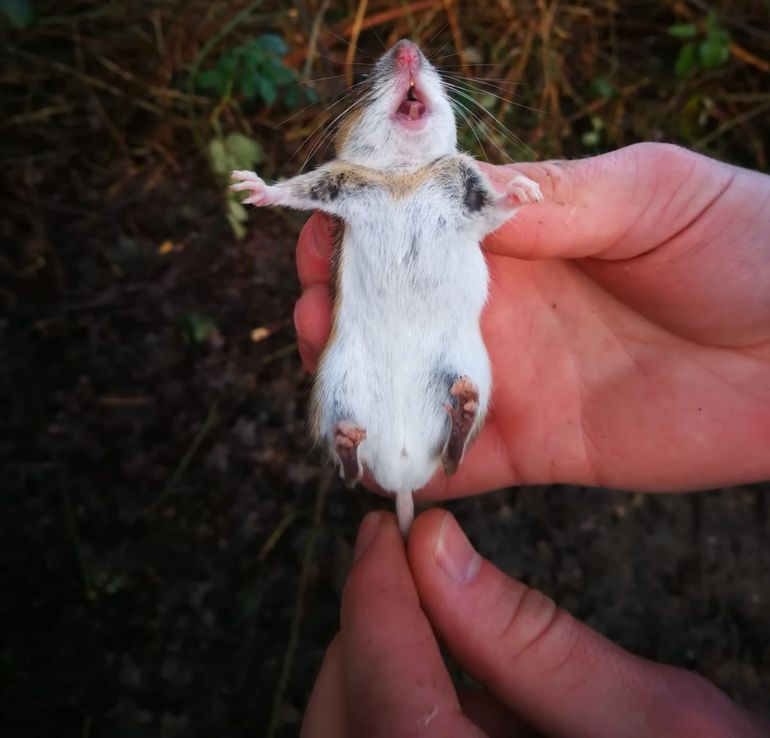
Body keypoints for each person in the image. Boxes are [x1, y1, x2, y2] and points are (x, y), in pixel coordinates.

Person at [293, 143, 770, 737]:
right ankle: (359, 442)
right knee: (345, 363)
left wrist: (504, 200)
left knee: (459, 362)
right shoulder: (367, 182)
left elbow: (484, 210)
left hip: (436, 357)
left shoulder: (452, 174)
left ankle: (452, 429)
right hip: (383, 362)